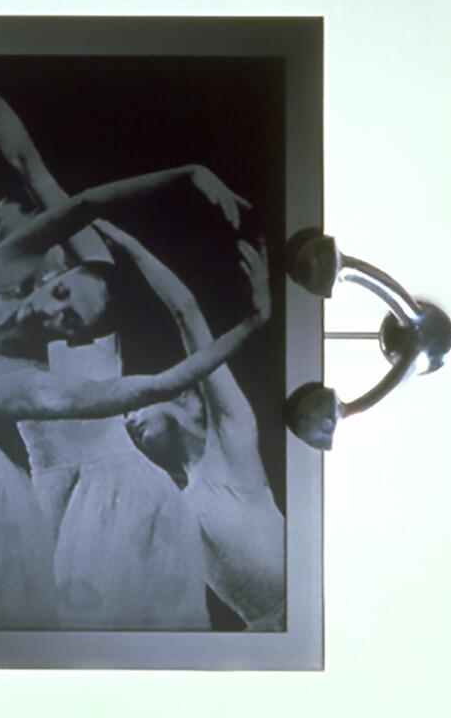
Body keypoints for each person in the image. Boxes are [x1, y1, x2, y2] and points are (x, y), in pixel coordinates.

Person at [0, 153, 267, 630]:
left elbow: (33, 165)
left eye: (2, 227)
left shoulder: (90, 289)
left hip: (113, 487)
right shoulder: (2, 292)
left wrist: (146, 228)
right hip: (49, 487)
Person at [116, 232, 286, 630]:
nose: (127, 420)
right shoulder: (173, 497)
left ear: (184, 396)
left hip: (307, 611)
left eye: (136, 405)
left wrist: (131, 245)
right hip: (264, 635)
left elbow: (184, 312)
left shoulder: (232, 441)